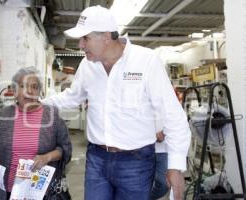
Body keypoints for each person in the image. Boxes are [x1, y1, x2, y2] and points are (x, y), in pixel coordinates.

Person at [43, 5, 191, 200]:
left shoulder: (145, 61)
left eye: (85, 38)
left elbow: (173, 114)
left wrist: (176, 166)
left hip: (136, 162)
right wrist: (40, 103)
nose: (80, 45)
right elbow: (72, 96)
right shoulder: (87, 66)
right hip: (97, 158)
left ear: (105, 36)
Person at [0, 67, 72, 200]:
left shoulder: (52, 115)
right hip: (8, 191)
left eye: (35, 87)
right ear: (15, 91)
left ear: (39, 92)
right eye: (23, 86)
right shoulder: (4, 116)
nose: (29, 91)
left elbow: (65, 149)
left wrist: (47, 157)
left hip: (42, 193)